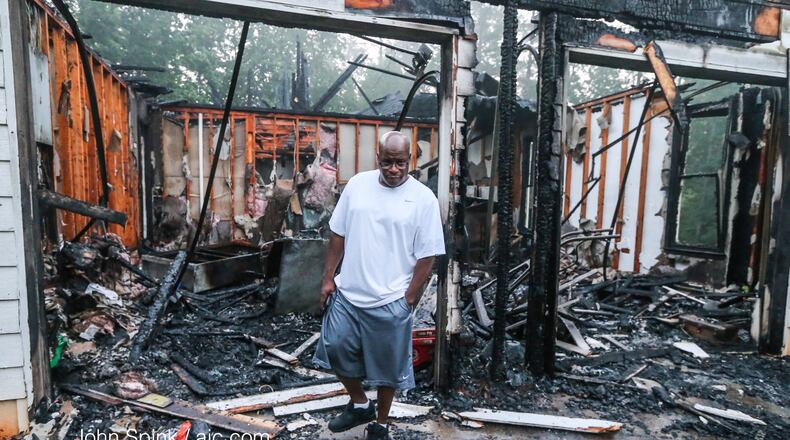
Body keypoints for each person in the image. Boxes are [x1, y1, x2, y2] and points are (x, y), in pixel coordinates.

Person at [313, 131, 445, 439]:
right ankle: (360, 403)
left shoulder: (424, 199)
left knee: (388, 369)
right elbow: (338, 235)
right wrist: (328, 279)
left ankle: (381, 424)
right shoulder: (358, 185)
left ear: (410, 160)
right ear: (378, 159)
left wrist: (409, 298)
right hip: (349, 293)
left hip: (390, 299)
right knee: (334, 347)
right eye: (387, 163)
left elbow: (428, 255)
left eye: (400, 163)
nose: (394, 169)